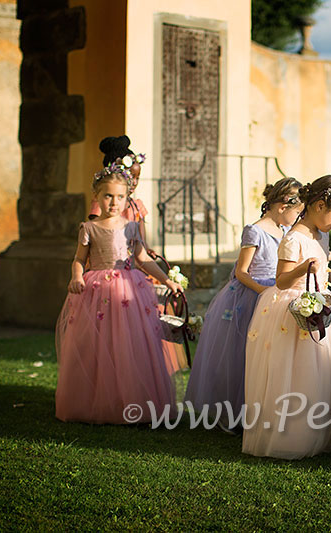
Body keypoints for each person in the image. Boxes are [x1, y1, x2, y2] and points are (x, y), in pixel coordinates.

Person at [55, 161, 183, 424]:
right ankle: (95, 401)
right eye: (108, 196)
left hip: (128, 292)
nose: (114, 202)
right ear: (97, 197)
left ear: (127, 198)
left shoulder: (131, 227)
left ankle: (132, 400)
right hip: (97, 291)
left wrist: (167, 280)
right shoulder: (88, 228)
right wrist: (77, 276)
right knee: (97, 344)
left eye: (120, 197)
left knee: (131, 342)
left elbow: (143, 259)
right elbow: (79, 259)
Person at [242, 175, 331, 459]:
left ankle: (314, 433)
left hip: (317, 305)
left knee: (318, 371)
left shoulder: (320, 235)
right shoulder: (293, 238)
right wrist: (302, 268)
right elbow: (281, 280)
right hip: (292, 309)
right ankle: (289, 437)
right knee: (294, 371)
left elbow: (322, 266)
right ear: (319, 206)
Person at [184, 178, 304, 432]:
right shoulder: (255, 230)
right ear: (282, 206)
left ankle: (262, 407)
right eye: (296, 212)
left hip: (275, 292)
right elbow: (241, 272)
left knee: (268, 352)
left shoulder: (286, 232)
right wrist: (264, 291)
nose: (297, 218)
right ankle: (233, 411)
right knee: (241, 354)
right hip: (252, 295)